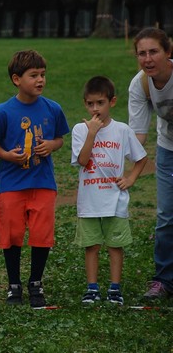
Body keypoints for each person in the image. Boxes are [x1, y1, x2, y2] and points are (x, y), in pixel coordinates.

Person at [0, 50, 69, 308]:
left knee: (41, 234)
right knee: (12, 235)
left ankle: (36, 282)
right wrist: (7, 156)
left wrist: (52, 145)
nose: (40, 80)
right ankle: (14, 285)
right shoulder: (3, 112)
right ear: (16, 79)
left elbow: (59, 138)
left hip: (43, 184)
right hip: (12, 185)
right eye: (33, 75)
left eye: (42, 75)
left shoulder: (53, 109)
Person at [72, 76, 147, 305]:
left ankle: (115, 288)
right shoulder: (79, 129)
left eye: (100, 103)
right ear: (85, 103)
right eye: (90, 103)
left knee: (115, 246)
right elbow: (83, 161)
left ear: (112, 102)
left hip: (115, 200)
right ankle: (92, 288)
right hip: (90, 202)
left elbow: (140, 158)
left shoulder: (122, 130)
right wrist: (92, 133)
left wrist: (130, 179)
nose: (95, 109)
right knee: (92, 246)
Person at [128, 27, 173, 300]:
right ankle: (164, 280)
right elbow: (138, 135)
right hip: (168, 148)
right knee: (167, 216)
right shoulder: (140, 84)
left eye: (153, 51)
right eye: (142, 53)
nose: (147, 59)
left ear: (168, 53)